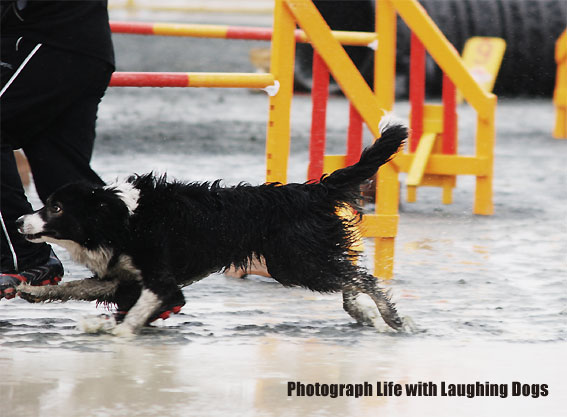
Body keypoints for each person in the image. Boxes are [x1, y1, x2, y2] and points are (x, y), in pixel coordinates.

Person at [0, 0, 115, 299]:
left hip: (45, 38)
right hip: (82, 44)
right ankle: (138, 267)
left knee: (62, 175)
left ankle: (24, 257)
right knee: (61, 174)